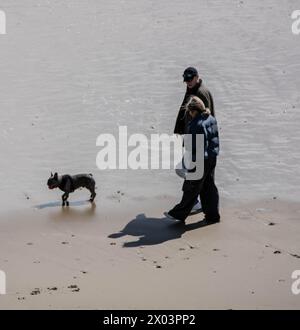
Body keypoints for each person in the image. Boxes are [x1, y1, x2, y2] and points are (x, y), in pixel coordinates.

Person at [165, 96, 220, 224]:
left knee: (191, 188)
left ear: (194, 110)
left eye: (190, 111)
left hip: (200, 160)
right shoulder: (211, 118)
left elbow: (191, 146)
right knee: (209, 187)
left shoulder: (196, 124)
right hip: (212, 157)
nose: (189, 114)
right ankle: (213, 216)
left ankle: (178, 214)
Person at [174, 67, 215, 214]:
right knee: (200, 176)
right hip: (197, 141)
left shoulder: (200, 93)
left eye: (190, 79)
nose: (188, 82)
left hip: (199, 143)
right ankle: (204, 205)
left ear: (197, 77)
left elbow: (204, 121)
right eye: (186, 80)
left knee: (194, 175)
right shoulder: (193, 89)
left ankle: (194, 204)